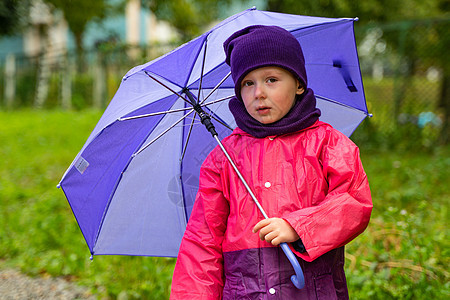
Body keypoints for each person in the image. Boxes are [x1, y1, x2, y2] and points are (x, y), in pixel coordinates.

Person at [170, 25, 372, 299]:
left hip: (312, 289)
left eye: (271, 80)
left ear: (298, 83)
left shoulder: (328, 144)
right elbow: (202, 241)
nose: (258, 94)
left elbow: (352, 202)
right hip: (246, 291)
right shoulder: (224, 158)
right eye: (247, 83)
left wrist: (299, 226)